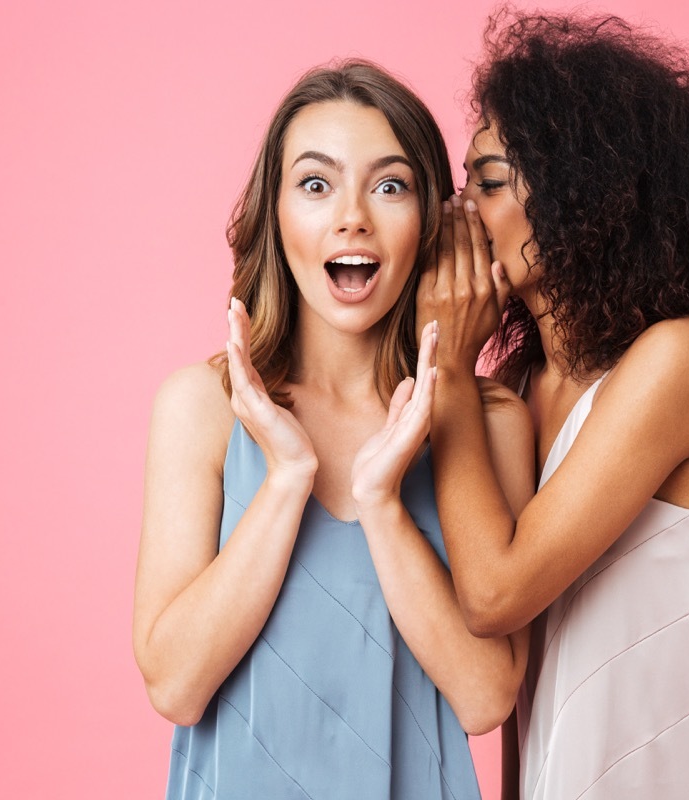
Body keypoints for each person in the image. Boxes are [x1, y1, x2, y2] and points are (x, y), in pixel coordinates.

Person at [420, 11, 689, 800]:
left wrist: (444, 364)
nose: (461, 211)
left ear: (584, 193)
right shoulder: (514, 390)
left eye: (487, 180)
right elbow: (523, 678)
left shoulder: (679, 363)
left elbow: (494, 593)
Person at [133, 61, 532, 799]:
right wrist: (287, 478)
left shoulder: (487, 422)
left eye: (390, 186)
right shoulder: (201, 406)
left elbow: (485, 698)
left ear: (434, 222)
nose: (353, 217)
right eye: (316, 185)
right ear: (275, 214)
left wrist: (382, 503)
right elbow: (176, 686)